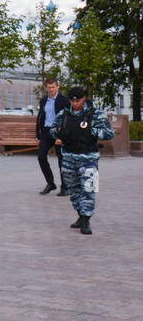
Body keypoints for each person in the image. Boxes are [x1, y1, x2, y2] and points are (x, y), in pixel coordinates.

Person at [52, 86, 114, 235]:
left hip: (88, 157)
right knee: (73, 189)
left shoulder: (95, 114)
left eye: (78, 100)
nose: (75, 103)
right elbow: (53, 129)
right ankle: (80, 213)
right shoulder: (64, 114)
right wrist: (58, 134)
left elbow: (109, 133)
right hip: (68, 157)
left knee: (88, 188)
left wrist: (92, 131)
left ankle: (86, 220)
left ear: (84, 98)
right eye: (72, 100)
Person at [35, 77, 70, 195]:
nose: (51, 89)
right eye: (49, 87)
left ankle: (65, 187)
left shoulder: (64, 100)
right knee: (41, 157)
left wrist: (62, 136)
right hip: (46, 131)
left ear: (58, 87)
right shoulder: (44, 101)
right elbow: (40, 117)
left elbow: (67, 118)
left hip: (59, 132)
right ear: (46, 88)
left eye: (53, 87)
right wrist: (38, 135)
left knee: (62, 160)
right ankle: (50, 183)